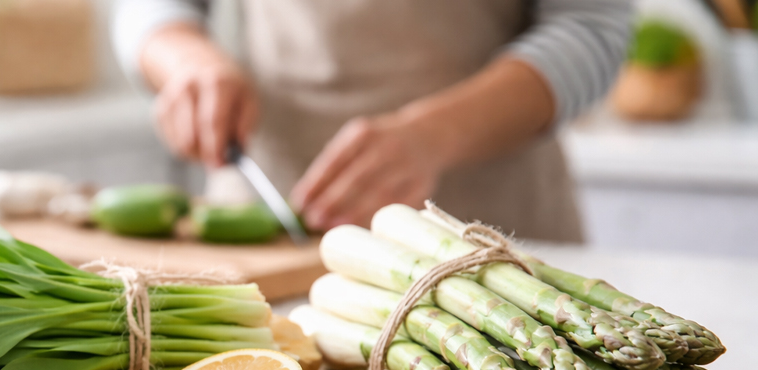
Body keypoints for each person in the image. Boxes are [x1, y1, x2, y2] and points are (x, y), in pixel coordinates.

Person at [113, 0, 633, 241]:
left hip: (489, 223)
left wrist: (435, 135)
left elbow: (591, 30)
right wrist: (185, 59)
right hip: (265, 211)